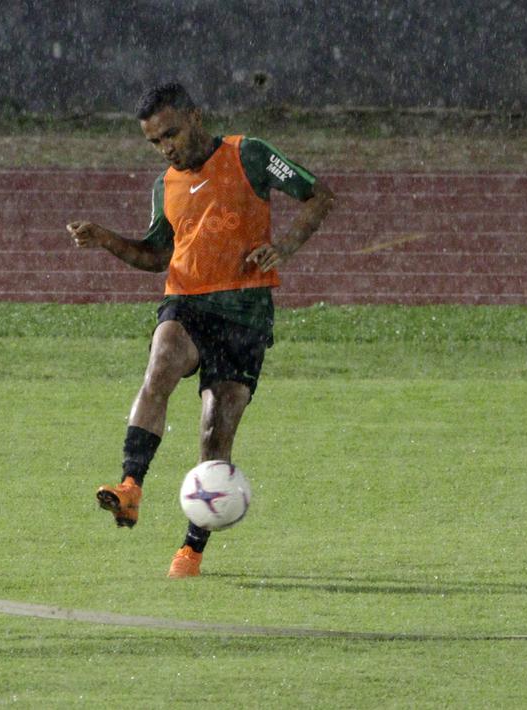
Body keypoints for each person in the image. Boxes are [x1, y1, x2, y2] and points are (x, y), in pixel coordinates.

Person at [66, 82, 334, 578]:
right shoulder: (165, 186)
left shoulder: (249, 154)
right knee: (162, 361)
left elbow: (318, 195)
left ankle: (191, 550)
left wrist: (285, 247)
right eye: (154, 142)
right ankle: (130, 486)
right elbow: (157, 256)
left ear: (195, 117)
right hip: (187, 302)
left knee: (215, 433)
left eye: (170, 134)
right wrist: (105, 238)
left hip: (245, 315)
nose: (165, 148)